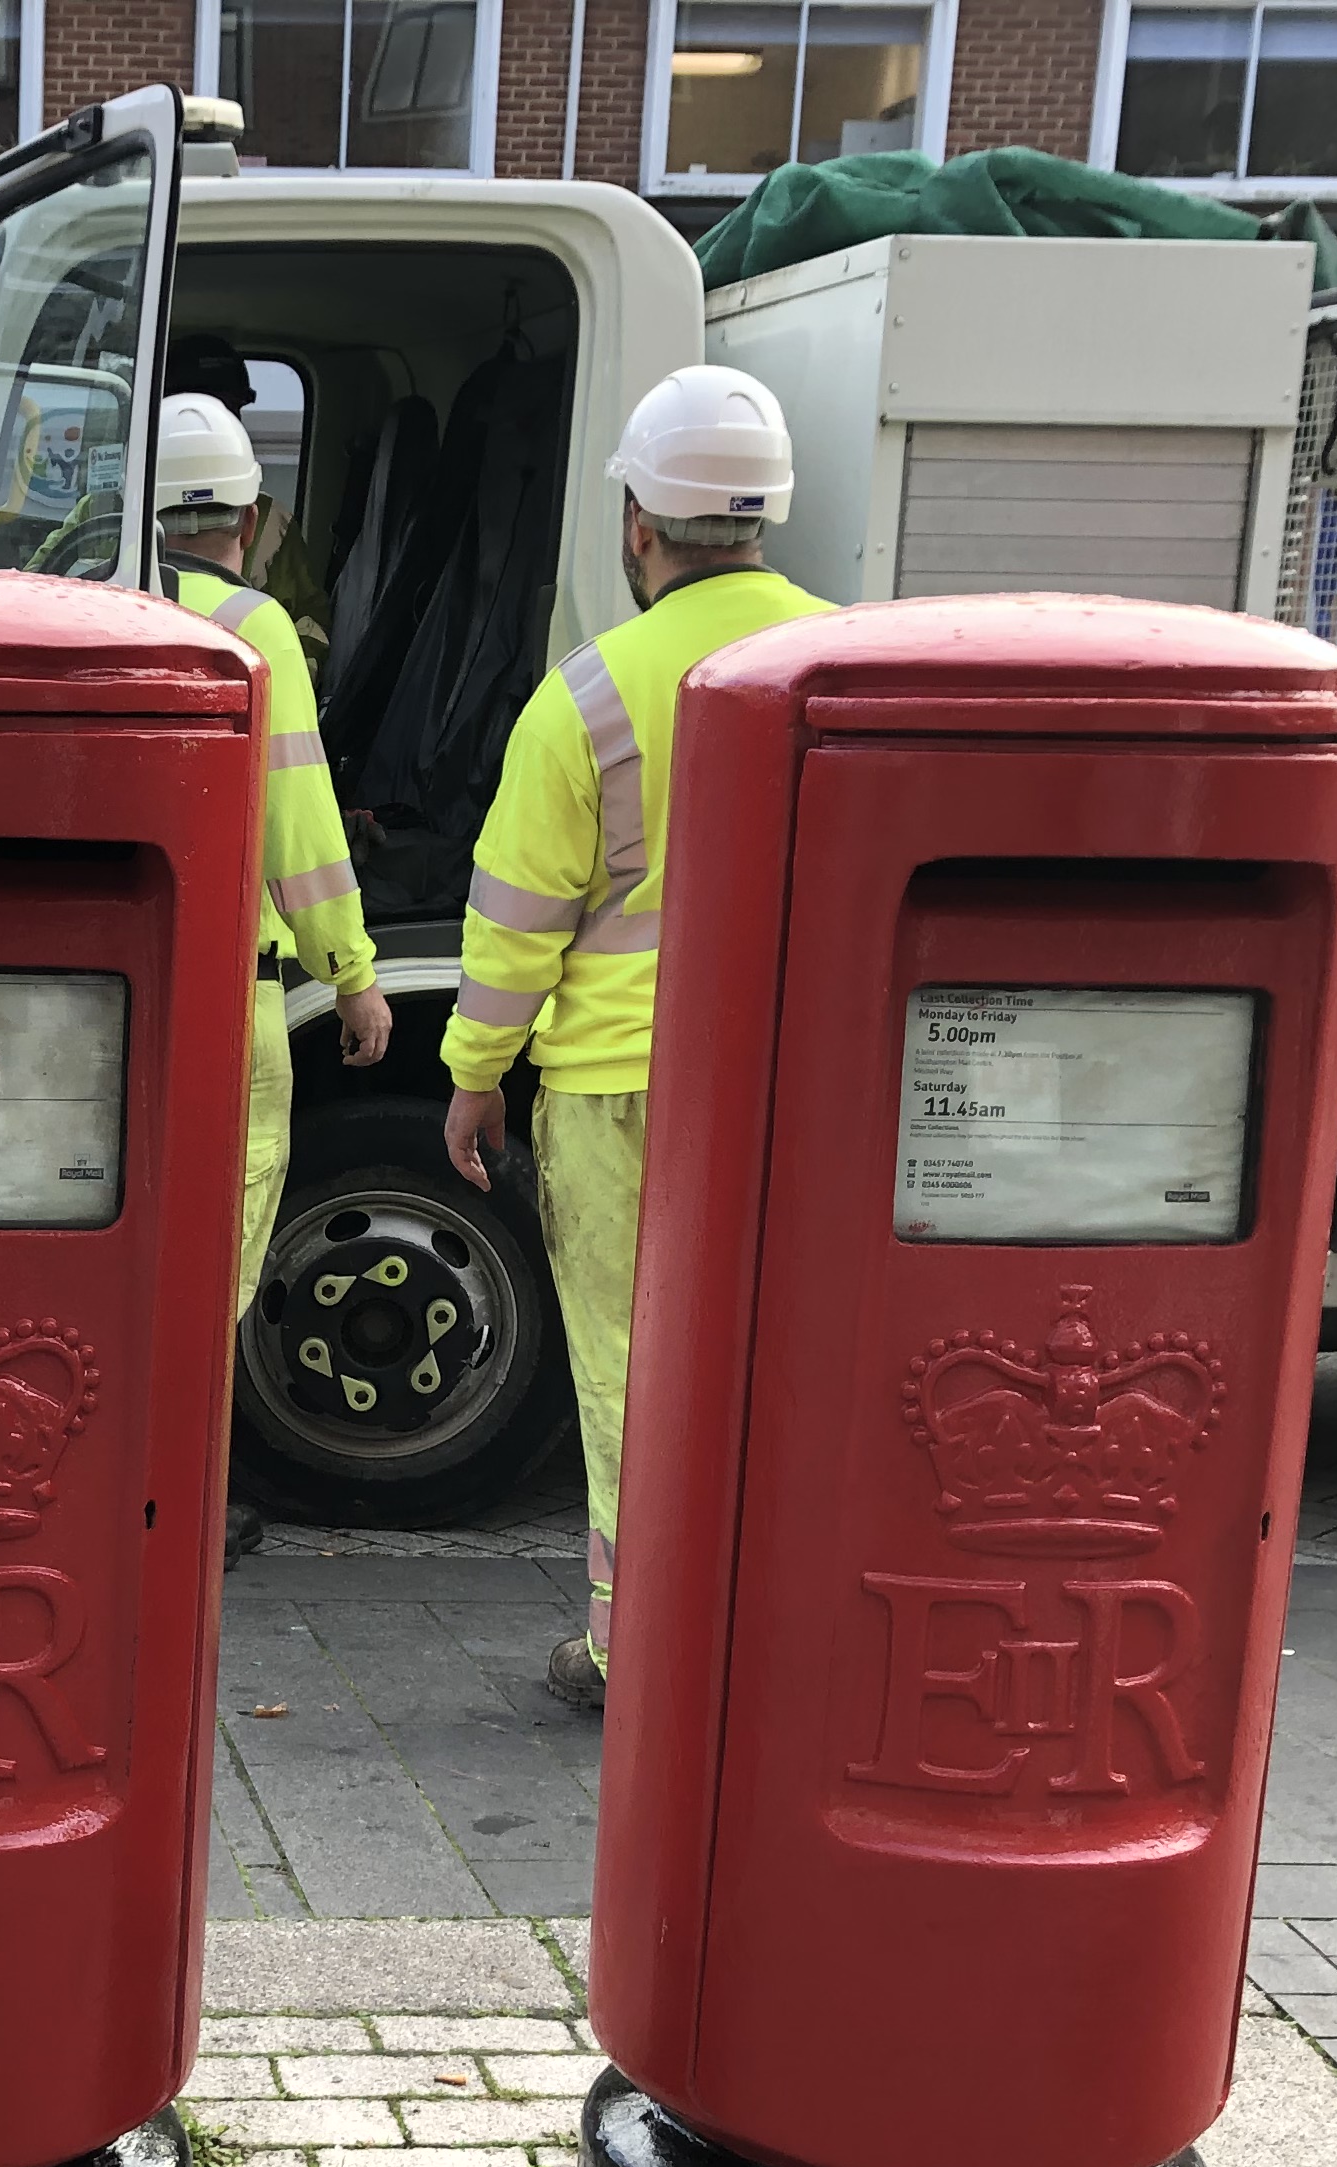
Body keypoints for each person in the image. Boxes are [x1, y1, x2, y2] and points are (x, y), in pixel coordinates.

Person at [440, 367, 830, 1715]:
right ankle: (782, 1636)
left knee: (628, 1370)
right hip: (801, 1090)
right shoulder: (841, 665)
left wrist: (474, 1075)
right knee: (787, 1364)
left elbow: (514, 925)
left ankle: (635, 1647)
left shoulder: (587, 701)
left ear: (636, 526)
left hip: (617, 1093)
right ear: (767, 514)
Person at [152, 390, 388, 1563]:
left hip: (116, 994)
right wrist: (352, 973)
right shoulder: (256, 635)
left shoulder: (92, 605)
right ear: (249, 516)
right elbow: (300, 822)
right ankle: (186, 1495)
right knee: (220, 1246)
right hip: (231, 1000)